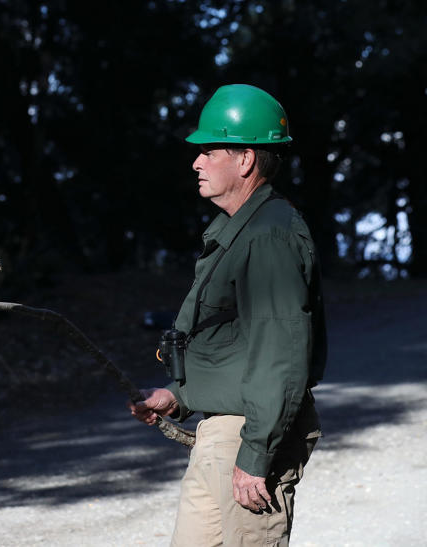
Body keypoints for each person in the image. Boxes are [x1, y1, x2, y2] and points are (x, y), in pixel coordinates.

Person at [128, 84, 326, 547]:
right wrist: (178, 396)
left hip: (248, 434)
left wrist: (256, 453)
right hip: (221, 432)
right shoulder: (241, 231)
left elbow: (280, 353)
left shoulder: (269, 236)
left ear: (245, 160)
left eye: (209, 150)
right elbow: (233, 340)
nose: (196, 161)